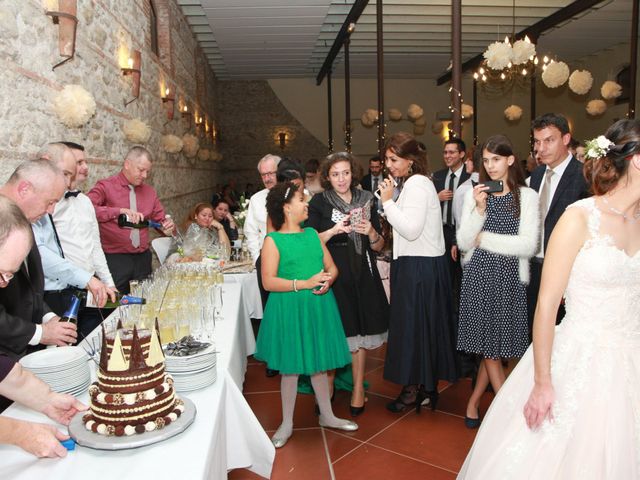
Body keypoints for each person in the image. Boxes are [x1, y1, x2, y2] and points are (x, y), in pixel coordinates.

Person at [458, 119, 640, 479]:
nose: (491, 166)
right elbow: (546, 305)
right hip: (579, 350)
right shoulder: (580, 217)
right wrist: (542, 382)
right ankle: (480, 399)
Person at [254, 182, 357, 449]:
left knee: (319, 365)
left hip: (318, 307)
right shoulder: (272, 240)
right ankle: (286, 423)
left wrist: (327, 280)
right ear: (287, 208)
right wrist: (305, 283)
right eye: (302, 199)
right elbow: (268, 282)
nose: (307, 204)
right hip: (289, 309)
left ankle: (328, 415)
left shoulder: (312, 234)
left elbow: (332, 268)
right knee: (289, 369)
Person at [456, 135, 539, 429]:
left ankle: (473, 402)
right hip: (479, 276)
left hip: (509, 279)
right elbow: (464, 241)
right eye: (486, 160)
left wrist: (486, 239)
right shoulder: (474, 194)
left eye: (496, 159)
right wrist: (479, 210)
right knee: (490, 350)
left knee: (494, 348)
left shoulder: (526, 196)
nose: (490, 166)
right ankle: (510, 417)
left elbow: (528, 245)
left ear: (510, 160)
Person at [378, 132, 458, 413]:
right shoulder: (418, 183)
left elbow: (410, 230)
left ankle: (414, 390)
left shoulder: (416, 184)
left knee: (413, 330)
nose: (389, 164)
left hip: (418, 267)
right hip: (421, 265)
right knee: (422, 330)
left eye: (394, 159)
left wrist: (387, 202)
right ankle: (425, 387)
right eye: (387, 158)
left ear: (410, 160)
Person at [307, 152, 389, 416]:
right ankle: (328, 384)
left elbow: (379, 246)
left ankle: (357, 389)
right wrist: (334, 230)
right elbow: (310, 241)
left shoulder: (366, 199)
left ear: (352, 173)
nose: (341, 179)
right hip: (333, 269)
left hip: (362, 270)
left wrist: (372, 233)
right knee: (335, 330)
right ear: (327, 177)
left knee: (360, 331)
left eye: (345, 172)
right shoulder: (319, 202)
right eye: (335, 174)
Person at [33, 143, 115, 340]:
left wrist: (108, 283)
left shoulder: (85, 202)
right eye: (79, 163)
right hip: (62, 289)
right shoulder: (46, 205)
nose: (84, 167)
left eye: (84, 162)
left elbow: (95, 246)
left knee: (94, 338)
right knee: (64, 346)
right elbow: (41, 253)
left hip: (92, 286)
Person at [0, 160, 76, 359]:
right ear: (25, 189)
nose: (50, 211)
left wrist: (49, 318)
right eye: (50, 202)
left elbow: (29, 286)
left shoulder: (25, 217)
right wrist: (41, 333)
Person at [527, 113, 589, 328]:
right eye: (537, 141)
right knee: (535, 333)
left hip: (566, 270)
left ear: (565, 139)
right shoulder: (536, 175)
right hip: (535, 266)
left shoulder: (584, 176)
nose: (541, 148)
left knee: (561, 334)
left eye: (549, 140)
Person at [87, 146, 175, 294]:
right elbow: (87, 209)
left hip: (142, 259)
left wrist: (167, 227)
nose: (145, 175)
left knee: (144, 301)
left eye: (147, 171)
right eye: (141, 170)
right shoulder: (105, 186)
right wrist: (117, 211)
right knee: (112, 304)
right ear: (127, 164)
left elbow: (160, 221)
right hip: (114, 259)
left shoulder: (150, 192)